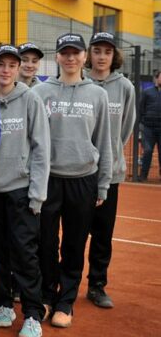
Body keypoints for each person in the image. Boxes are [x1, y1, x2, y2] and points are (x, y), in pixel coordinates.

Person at [31, 33, 111, 328]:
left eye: (75, 53)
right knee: (46, 243)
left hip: (83, 180)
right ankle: (46, 295)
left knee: (75, 244)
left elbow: (104, 142)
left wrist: (102, 183)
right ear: (58, 57)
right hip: (48, 179)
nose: (70, 57)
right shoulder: (41, 93)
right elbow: (33, 141)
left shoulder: (97, 95)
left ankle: (66, 300)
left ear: (84, 56)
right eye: (64, 52)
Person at [0, 45, 49, 337]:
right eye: (1, 64)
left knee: (25, 252)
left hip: (21, 189)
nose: (7, 70)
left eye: (12, 64)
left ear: (18, 68)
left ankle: (33, 312)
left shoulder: (31, 99)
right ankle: (3, 303)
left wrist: (37, 193)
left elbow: (40, 148)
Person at [84, 31, 136, 309]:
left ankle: (97, 285)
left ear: (113, 55)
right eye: (96, 51)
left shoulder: (125, 87)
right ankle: (57, 284)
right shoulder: (79, 82)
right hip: (79, 174)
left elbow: (125, 129)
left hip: (109, 174)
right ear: (88, 54)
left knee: (103, 234)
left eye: (106, 51)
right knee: (72, 233)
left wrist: (111, 155)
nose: (101, 57)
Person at [139, 69, 161, 181]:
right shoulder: (147, 92)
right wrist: (142, 123)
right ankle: (143, 175)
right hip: (149, 128)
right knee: (147, 151)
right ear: (157, 78)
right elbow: (141, 108)